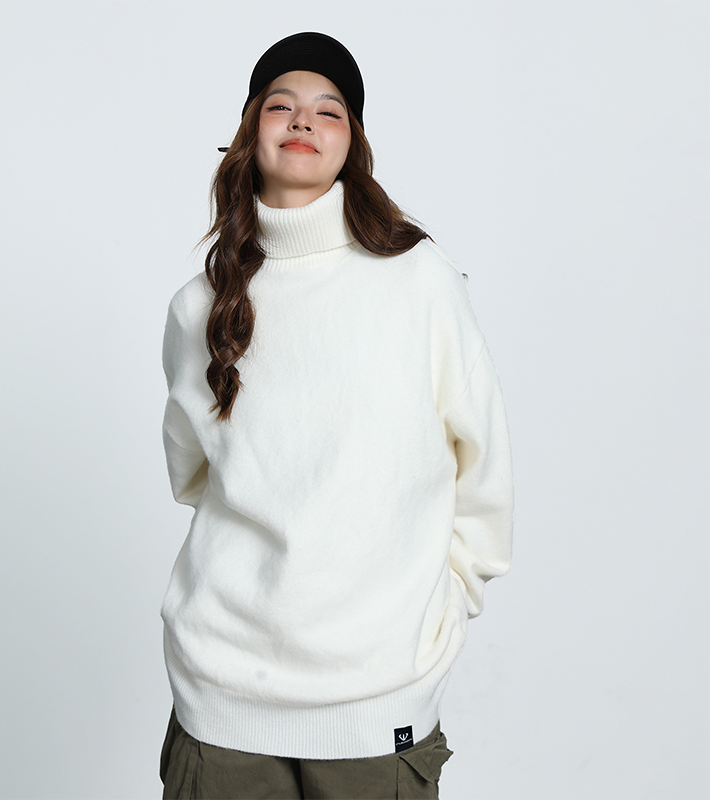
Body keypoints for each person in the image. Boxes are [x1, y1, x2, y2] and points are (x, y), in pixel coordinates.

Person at [158, 31, 514, 800]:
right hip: (222, 702)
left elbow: (483, 466)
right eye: (280, 105)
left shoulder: (419, 281)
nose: (303, 120)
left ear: (352, 143)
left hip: (378, 700)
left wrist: (444, 607)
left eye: (330, 111)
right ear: (250, 129)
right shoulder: (198, 308)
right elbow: (194, 474)